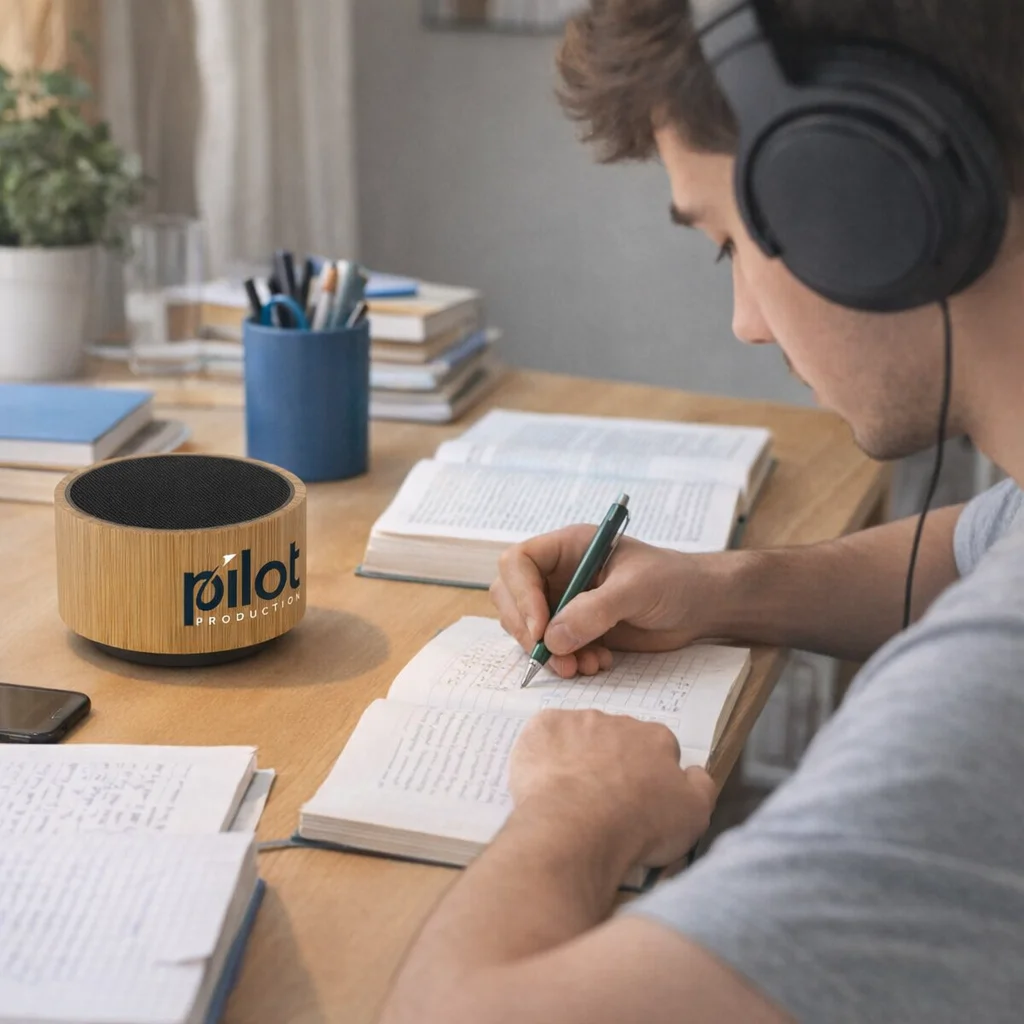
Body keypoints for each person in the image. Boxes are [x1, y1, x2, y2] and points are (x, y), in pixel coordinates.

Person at [377, 2, 1024, 1021]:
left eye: (728, 240)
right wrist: (716, 586)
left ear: (873, 199)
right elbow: (980, 546)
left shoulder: (996, 692)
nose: (745, 325)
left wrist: (577, 814)